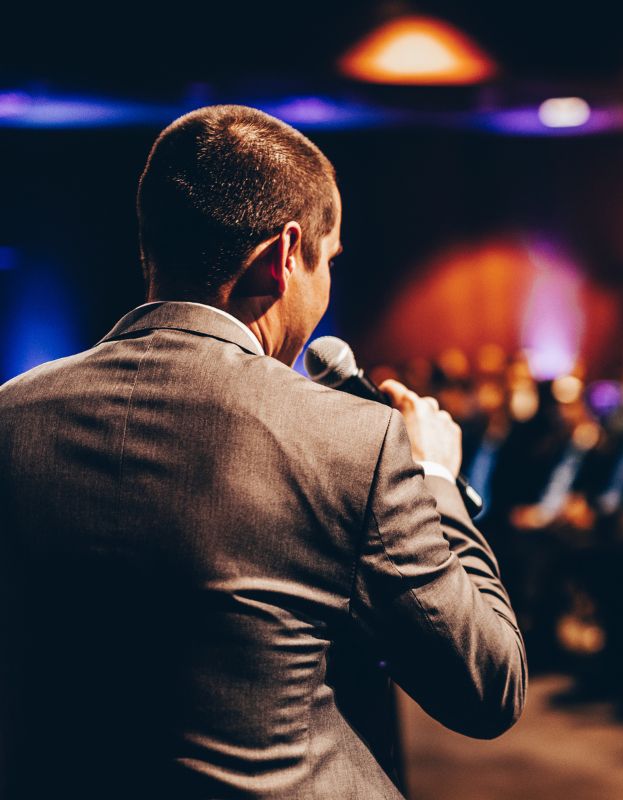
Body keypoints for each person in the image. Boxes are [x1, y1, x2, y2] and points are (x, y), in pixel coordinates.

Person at [0, 105, 526, 799]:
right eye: (327, 260)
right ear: (284, 257)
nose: (327, 283)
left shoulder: (12, 415)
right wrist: (434, 480)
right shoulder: (350, 440)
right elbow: (487, 685)